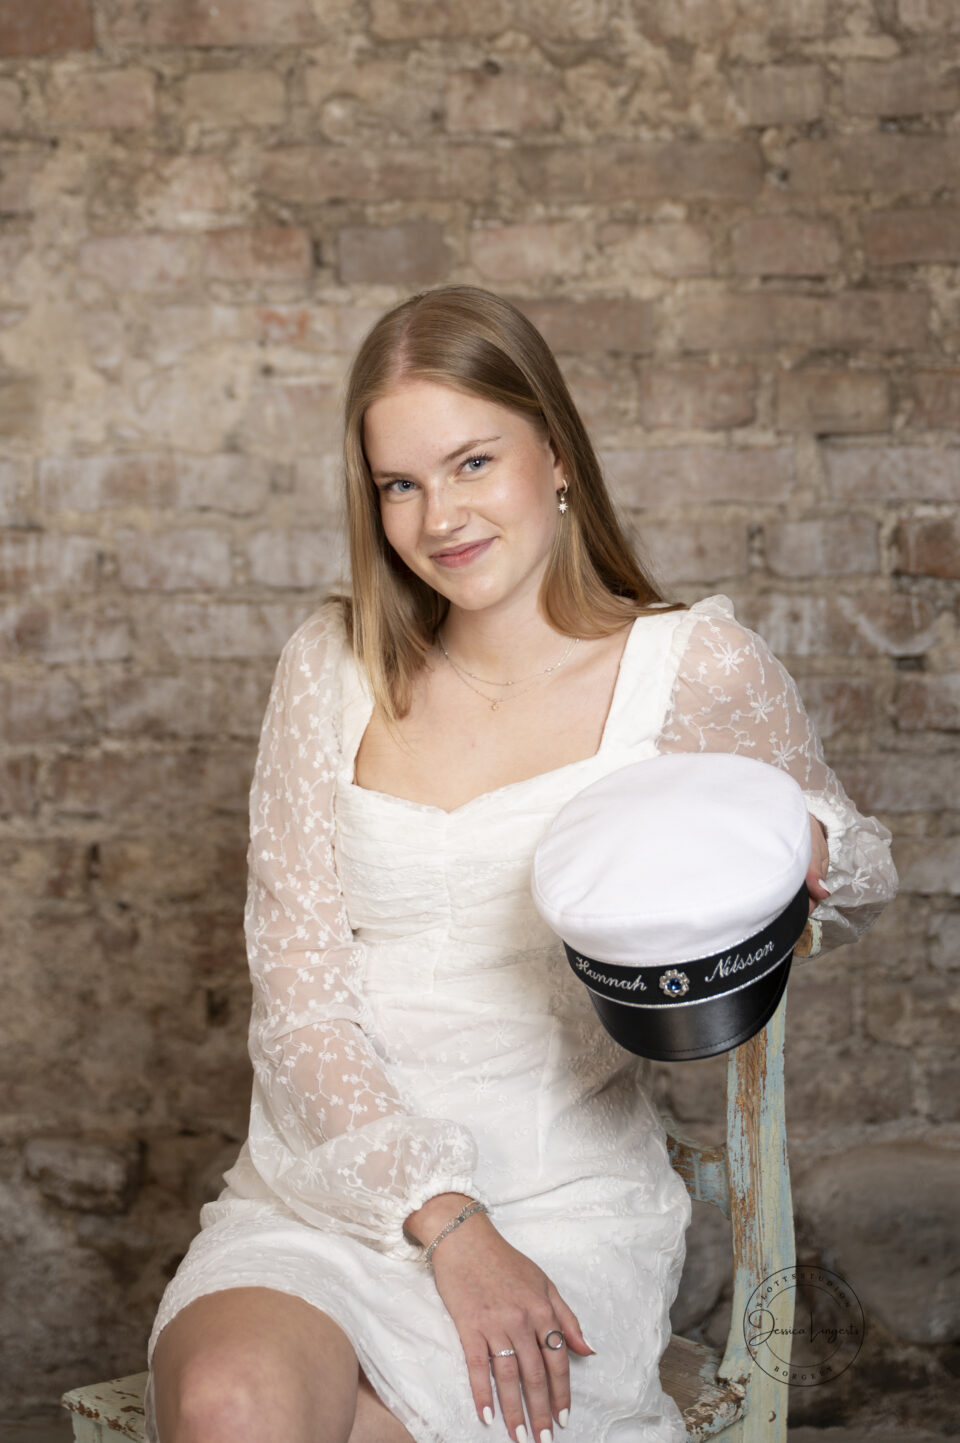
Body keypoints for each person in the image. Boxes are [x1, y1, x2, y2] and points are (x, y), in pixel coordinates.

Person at [147, 285, 897, 1443]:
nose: (438, 516)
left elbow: (853, 873)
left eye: (472, 463)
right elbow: (296, 1000)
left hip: (559, 1202)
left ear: (554, 450)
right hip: (331, 1187)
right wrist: (445, 1220)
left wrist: (784, 845)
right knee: (228, 1402)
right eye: (400, 484)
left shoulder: (691, 666)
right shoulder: (331, 665)